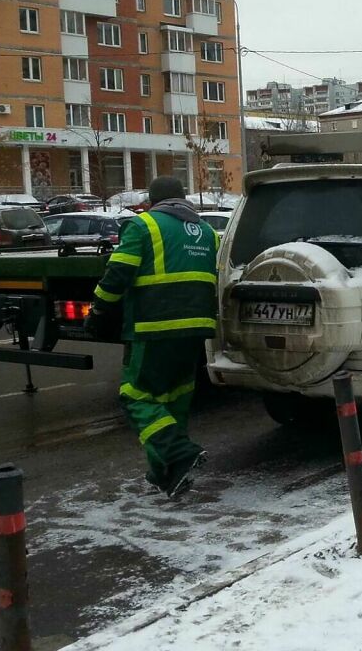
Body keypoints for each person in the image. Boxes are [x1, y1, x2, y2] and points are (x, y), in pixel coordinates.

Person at [87, 176, 219, 498]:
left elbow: (118, 272)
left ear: (152, 201)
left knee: (137, 396)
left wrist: (99, 310)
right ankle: (168, 473)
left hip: (155, 326)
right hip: (196, 329)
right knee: (174, 398)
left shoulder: (143, 226)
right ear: (183, 198)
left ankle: (180, 454)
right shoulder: (206, 232)